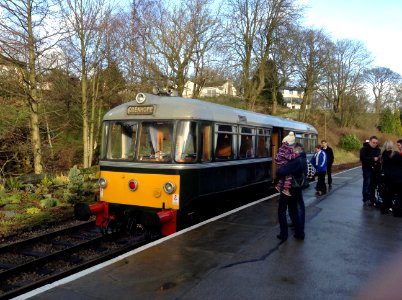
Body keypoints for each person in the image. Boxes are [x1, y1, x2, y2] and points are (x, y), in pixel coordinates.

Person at [276, 142, 307, 241]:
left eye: (292, 149)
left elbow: (280, 172)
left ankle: (283, 234)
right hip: (297, 189)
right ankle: (299, 233)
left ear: (297, 150)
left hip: (289, 189)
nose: (290, 151)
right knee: (294, 211)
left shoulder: (295, 161)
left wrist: (279, 169)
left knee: (281, 211)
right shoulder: (303, 159)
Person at [379, 140, 402, 215]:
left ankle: (384, 209)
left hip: (387, 177)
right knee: (399, 195)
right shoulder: (396, 154)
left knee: (387, 194)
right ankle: (397, 212)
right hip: (397, 177)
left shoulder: (383, 154)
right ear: (392, 146)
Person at [274, 131, 299, 196]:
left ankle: (278, 186)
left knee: (283, 175)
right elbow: (288, 156)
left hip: (279, 163)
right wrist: (296, 154)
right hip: (283, 163)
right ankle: (286, 189)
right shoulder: (289, 148)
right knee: (289, 175)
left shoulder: (281, 147)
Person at [360, 136, 381, 206]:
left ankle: (372, 198)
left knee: (373, 185)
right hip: (367, 169)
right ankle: (366, 199)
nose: (375, 144)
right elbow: (363, 158)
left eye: (376, 143)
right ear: (370, 142)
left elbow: (379, 158)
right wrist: (373, 159)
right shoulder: (364, 149)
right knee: (367, 183)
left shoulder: (378, 149)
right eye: (373, 142)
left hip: (375, 169)